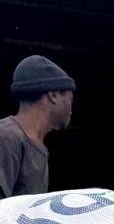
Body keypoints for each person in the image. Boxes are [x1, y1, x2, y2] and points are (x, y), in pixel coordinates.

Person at [0, 55, 75, 198]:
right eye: (70, 99)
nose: (71, 109)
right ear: (53, 95)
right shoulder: (5, 136)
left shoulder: (39, 149)